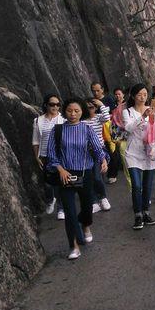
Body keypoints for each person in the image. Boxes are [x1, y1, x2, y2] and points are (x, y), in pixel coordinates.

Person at [46, 98, 109, 260]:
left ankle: (85, 225)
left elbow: (97, 148)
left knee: (87, 208)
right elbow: (51, 155)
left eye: (77, 111)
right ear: (64, 111)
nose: (73, 114)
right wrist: (60, 169)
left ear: (82, 112)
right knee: (69, 211)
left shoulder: (87, 129)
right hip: (65, 174)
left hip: (84, 173)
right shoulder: (57, 130)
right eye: (69, 111)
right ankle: (73, 246)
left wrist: (102, 160)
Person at [122, 83, 155, 230]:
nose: (142, 97)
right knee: (137, 185)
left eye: (145, 94)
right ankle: (137, 215)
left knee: (147, 186)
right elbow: (128, 128)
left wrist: (152, 116)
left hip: (149, 152)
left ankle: (146, 212)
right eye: (139, 95)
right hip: (133, 151)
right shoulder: (128, 111)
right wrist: (143, 117)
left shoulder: (152, 110)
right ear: (133, 96)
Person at [32, 94, 65, 218]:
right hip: (45, 155)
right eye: (52, 104)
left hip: (60, 154)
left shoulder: (63, 119)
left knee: (61, 182)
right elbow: (35, 141)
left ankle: (61, 209)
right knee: (48, 183)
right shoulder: (38, 120)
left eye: (57, 104)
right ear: (46, 105)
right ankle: (51, 200)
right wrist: (37, 157)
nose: (55, 107)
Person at [84, 98, 111, 212]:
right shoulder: (81, 121)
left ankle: (103, 197)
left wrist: (101, 105)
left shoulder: (98, 118)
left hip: (99, 150)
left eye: (92, 107)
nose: (89, 110)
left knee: (97, 176)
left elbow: (107, 117)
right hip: (85, 152)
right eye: (87, 107)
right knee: (89, 177)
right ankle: (94, 201)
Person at [106, 87, 127, 184]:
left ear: (123, 95)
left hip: (125, 129)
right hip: (114, 129)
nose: (117, 96)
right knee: (115, 150)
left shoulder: (127, 104)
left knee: (123, 150)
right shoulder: (112, 105)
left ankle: (125, 166)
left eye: (119, 94)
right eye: (116, 94)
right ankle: (117, 170)